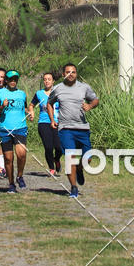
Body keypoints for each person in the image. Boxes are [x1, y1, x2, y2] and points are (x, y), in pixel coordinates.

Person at [47, 63, 99, 198]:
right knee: (71, 158)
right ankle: (73, 187)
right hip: (65, 129)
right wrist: (52, 120)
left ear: (77, 74)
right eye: (68, 72)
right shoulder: (58, 88)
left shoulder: (84, 87)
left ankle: (80, 169)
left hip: (82, 128)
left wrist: (89, 106)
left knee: (87, 158)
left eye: (73, 72)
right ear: (63, 74)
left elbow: (95, 100)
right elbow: (49, 103)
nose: (71, 74)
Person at [0, 70, 29, 193]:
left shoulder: (22, 94)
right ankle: (11, 183)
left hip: (20, 128)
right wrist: (3, 106)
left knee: (22, 154)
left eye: (15, 79)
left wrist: (29, 112)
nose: (13, 81)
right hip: (5, 129)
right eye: (11, 79)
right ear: (6, 80)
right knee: (8, 159)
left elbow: (24, 108)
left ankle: (20, 176)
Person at [29, 72, 62, 175]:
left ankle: (56, 159)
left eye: (49, 79)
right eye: (45, 79)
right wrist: (32, 112)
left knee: (59, 147)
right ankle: (51, 168)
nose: (47, 81)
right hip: (43, 123)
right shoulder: (39, 94)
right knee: (48, 147)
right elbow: (31, 105)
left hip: (57, 123)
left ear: (53, 81)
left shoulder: (59, 93)